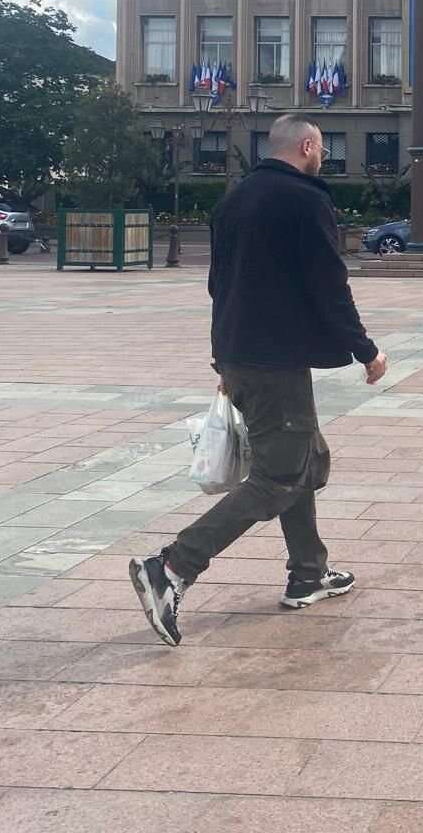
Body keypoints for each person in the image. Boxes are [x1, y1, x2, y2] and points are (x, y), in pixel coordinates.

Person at [129, 115, 387, 647]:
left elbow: (217, 284)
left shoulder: (235, 198)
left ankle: (308, 573)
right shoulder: (304, 199)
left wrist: (224, 357)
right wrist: (366, 349)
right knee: (276, 477)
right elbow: (327, 282)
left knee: (303, 461)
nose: (323, 158)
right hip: (276, 362)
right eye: (321, 149)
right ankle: (174, 566)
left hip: (241, 354)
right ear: (309, 146)